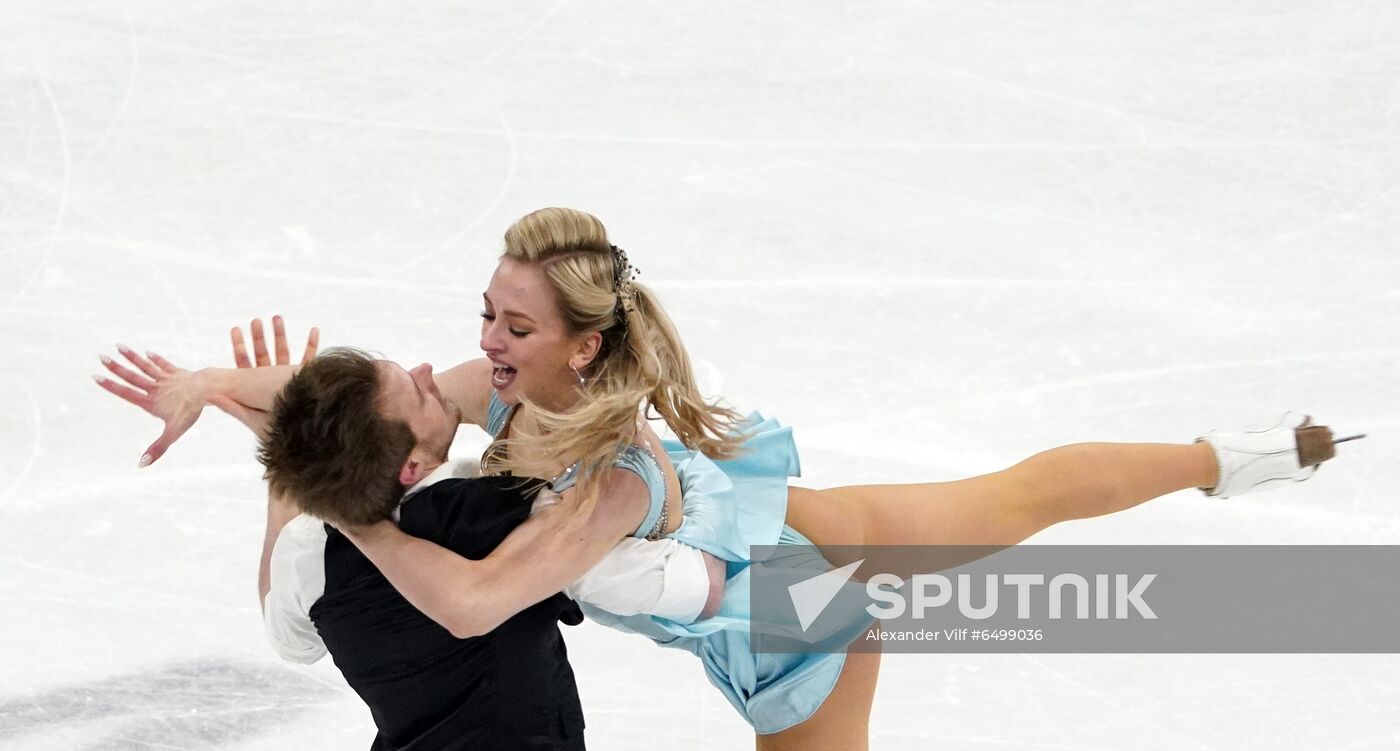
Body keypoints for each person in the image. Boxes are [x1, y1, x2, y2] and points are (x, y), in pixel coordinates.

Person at [96, 209, 1352, 751]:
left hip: (795, 617)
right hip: (775, 530)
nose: (476, 346)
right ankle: (1227, 459)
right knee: (1001, 498)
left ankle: (1225, 462)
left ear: (581, 346)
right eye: (482, 315)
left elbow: (459, 585)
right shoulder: (502, 388)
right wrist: (214, 387)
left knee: (1002, 509)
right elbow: (361, 417)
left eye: (509, 327)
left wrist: (330, 504)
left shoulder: (606, 485)